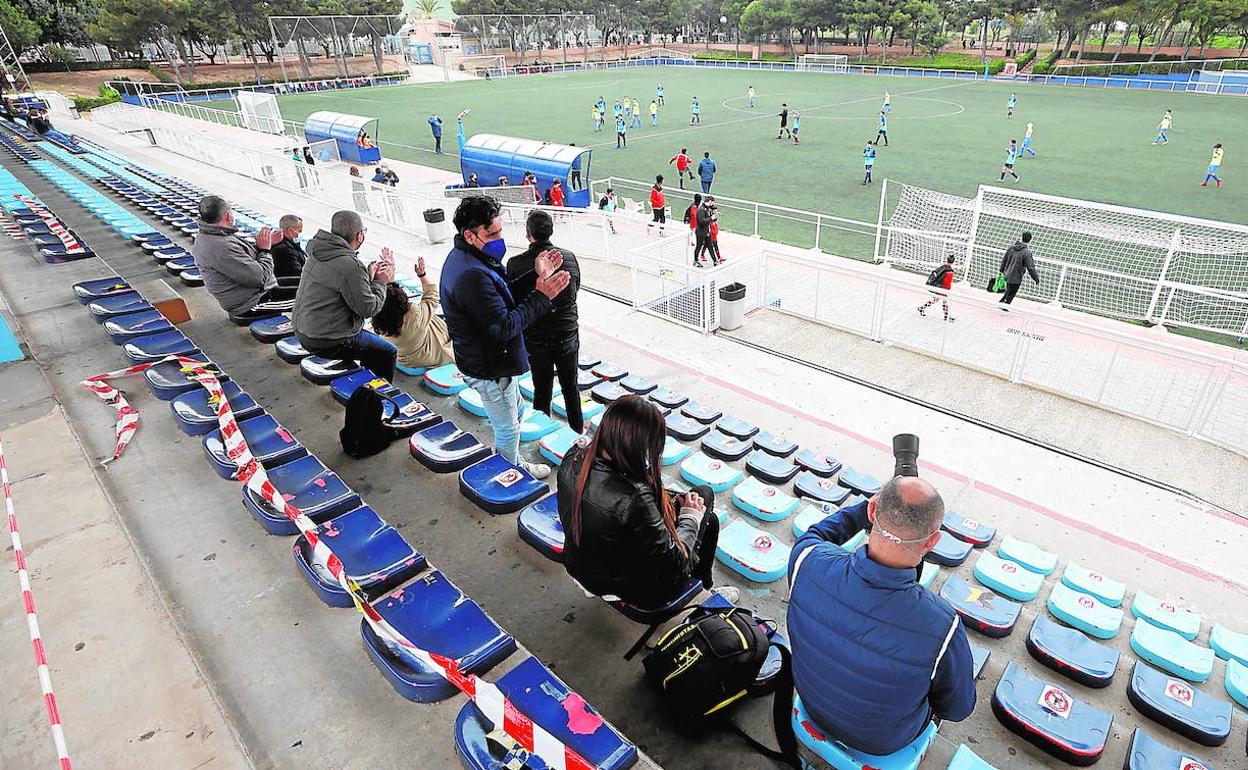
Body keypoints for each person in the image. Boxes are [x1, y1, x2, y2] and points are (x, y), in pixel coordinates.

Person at [787, 477, 976, 757]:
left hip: (813, 706)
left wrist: (864, 510)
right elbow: (958, 708)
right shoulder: (943, 626)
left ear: (873, 512)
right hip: (882, 744)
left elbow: (819, 533)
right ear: (934, 541)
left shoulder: (807, 560)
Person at [557, 395, 732, 608]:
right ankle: (704, 591)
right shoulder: (635, 497)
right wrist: (690, 517)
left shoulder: (574, 456)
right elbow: (676, 565)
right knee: (704, 496)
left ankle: (703, 588)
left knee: (710, 520)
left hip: (579, 564)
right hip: (632, 589)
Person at [440, 196, 571, 479]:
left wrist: (534, 278)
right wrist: (542, 295)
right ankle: (509, 478)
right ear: (470, 235)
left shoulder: (471, 259)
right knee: (508, 429)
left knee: (518, 411)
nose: (500, 239)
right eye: (493, 234)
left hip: (487, 361)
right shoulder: (470, 274)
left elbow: (498, 297)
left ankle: (516, 465)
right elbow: (504, 326)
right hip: (489, 367)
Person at [292, 210, 397, 381]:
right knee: (387, 352)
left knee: (370, 345)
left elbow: (340, 286)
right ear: (360, 236)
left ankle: (365, 383)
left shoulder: (319, 253)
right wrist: (380, 281)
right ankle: (377, 398)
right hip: (326, 340)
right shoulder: (351, 266)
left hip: (303, 329)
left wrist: (367, 277)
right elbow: (368, 309)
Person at [507, 209, 584, 433]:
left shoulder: (515, 264)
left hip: (536, 340)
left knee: (542, 392)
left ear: (528, 234)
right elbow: (574, 291)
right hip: (567, 335)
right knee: (571, 388)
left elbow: (513, 300)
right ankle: (577, 435)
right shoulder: (568, 257)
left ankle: (543, 437)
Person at [192, 195, 295, 317]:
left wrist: (266, 243)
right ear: (227, 216)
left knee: (307, 282)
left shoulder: (213, 235)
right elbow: (260, 278)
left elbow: (243, 259)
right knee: (315, 300)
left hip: (257, 290)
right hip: (252, 302)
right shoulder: (220, 245)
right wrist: (264, 250)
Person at [371, 257, 454, 371]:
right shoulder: (414, 315)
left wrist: (385, 275)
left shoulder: (376, 316)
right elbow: (432, 296)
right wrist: (422, 275)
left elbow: (386, 298)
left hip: (405, 359)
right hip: (431, 355)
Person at [999, 231, 1039, 305]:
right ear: (1030, 240)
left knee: (1008, 292)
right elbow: (1031, 268)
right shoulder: (1027, 253)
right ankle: (1003, 307)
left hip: (1007, 274)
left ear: (1022, 237)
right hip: (1016, 277)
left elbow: (1004, 259)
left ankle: (1001, 304)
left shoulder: (1011, 248)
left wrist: (1001, 271)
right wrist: (1036, 278)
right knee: (1011, 294)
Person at [917, 254, 956, 321]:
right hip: (944, 288)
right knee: (944, 301)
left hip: (939, 286)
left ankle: (922, 308)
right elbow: (947, 282)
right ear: (953, 262)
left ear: (946, 259)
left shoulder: (942, 268)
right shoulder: (950, 271)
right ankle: (946, 316)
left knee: (936, 300)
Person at [270, 214, 306, 281]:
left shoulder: (291, 246)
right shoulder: (284, 251)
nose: (301, 232)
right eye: (299, 229)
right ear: (290, 230)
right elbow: (298, 274)